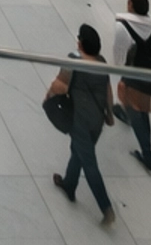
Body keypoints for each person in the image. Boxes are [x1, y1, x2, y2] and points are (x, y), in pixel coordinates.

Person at [46, 23, 115, 224]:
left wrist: (49, 96)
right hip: (97, 121)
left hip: (79, 120)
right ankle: (69, 184)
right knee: (79, 151)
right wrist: (109, 113)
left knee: (89, 162)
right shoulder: (102, 63)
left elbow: (60, 85)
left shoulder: (74, 60)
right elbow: (108, 91)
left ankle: (106, 208)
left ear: (82, 43)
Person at [111, 0, 151, 174]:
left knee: (138, 112)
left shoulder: (122, 26)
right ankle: (124, 112)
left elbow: (119, 52)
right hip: (150, 73)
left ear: (131, 5)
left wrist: (121, 71)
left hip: (132, 75)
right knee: (142, 107)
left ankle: (147, 155)